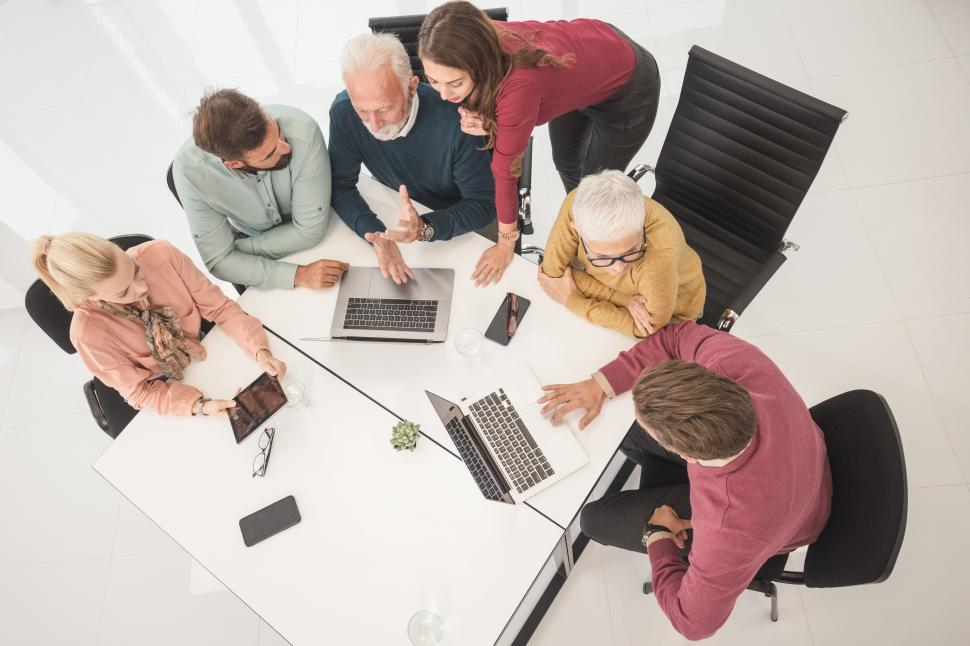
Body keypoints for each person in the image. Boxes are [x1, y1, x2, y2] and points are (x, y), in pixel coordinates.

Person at [538, 322, 831, 640]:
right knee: (626, 431)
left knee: (593, 520)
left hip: (782, 515)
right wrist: (602, 384)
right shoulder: (736, 362)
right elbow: (675, 336)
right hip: (793, 455)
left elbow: (693, 624)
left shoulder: (729, 528)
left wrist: (658, 537)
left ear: (688, 456)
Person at [418, 1, 661, 287]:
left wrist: (506, 243)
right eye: (434, 81)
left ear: (479, 63)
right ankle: (581, 216)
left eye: (455, 84)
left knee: (595, 189)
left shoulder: (520, 87)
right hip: (581, 67)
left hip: (628, 88)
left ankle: (594, 236)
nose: (444, 95)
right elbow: (507, 108)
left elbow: (505, 172)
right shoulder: (477, 35)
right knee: (566, 161)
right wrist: (493, 119)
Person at [31, 233, 287, 418]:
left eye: (134, 270)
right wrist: (200, 405)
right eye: (123, 292)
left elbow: (220, 308)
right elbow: (140, 391)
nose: (141, 288)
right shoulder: (88, 335)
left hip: (205, 349)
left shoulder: (162, 254)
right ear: (90, 297)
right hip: (165, 382)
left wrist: (260, 351)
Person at [329, 32, 495, 284]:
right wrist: (376, 235)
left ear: (412, 87)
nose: (374, 124)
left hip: (458, 219)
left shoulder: (459, 122)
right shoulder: (344, 112)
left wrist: (425, 228)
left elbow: (482, 204)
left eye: (384, 109)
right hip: (398, 209)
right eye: (362, 110)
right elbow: (340, 185)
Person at [172, 89, 348, 291]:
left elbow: (310, 231)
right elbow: (219, 263)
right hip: (248, 233)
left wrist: (236, 253)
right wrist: (297, 275)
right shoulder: (189, 173)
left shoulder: (304, 132)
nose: (286, 148)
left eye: (278, 132)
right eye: (270, 154)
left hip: (320, 225)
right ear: (234, 164)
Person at [538, 170, 705, 337]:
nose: (619, 268)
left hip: (673, 317)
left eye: (631, 251)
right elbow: (552, 276)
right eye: (602, 257)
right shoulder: (577, 205)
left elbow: (649, 328)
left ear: (643, 221)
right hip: (634, 296)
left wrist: (572, 300)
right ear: (576, 229)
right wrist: (625, 300)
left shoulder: (658, 259)